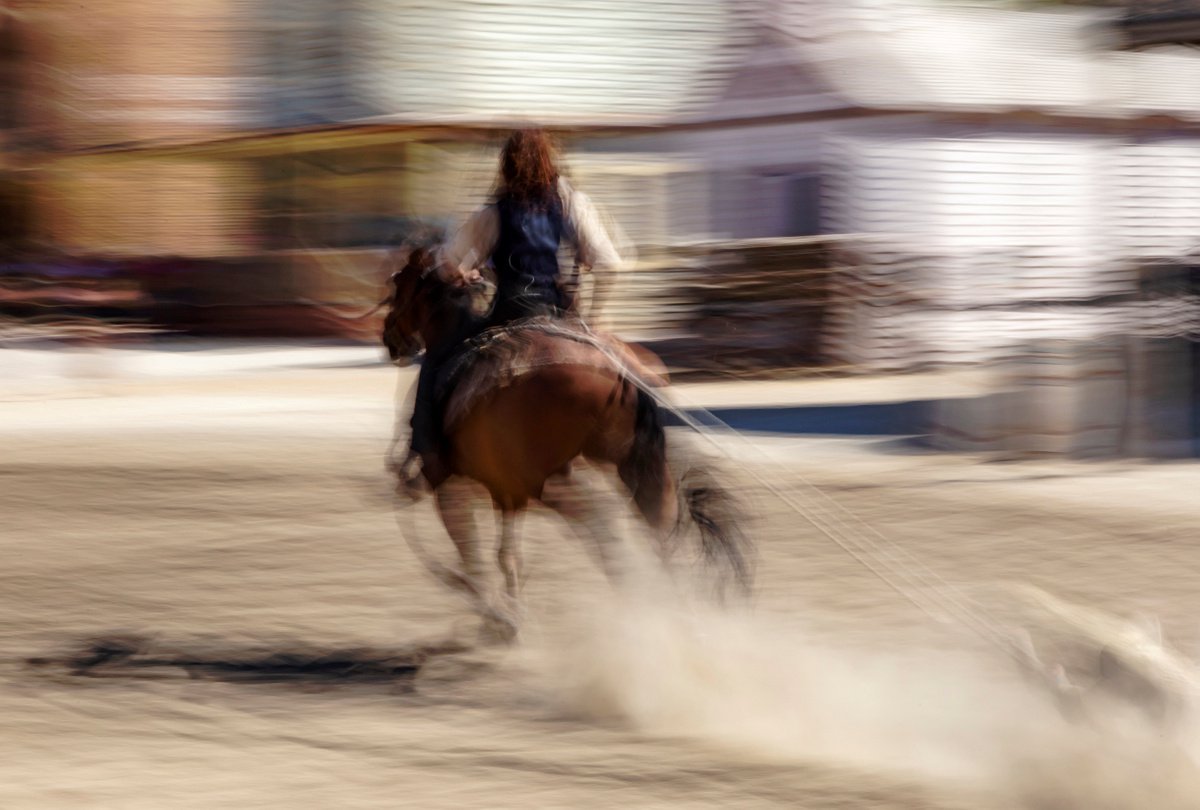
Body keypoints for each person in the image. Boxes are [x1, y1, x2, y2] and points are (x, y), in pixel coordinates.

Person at [399, 128, 623, 493]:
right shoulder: (573, 204)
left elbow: (446, 263)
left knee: (437, 361)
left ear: (506, 166)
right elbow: (609, 264)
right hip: (562, 317)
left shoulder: (492, 214)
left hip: (512, 314)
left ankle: (427, 459)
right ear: (551, 162)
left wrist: (464, 272)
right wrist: (594, 321)